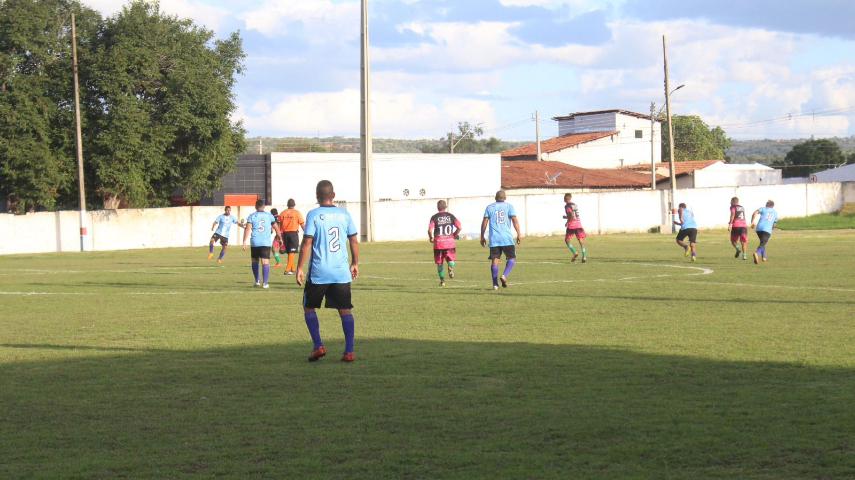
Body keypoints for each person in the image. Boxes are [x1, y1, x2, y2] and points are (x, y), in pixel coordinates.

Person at [296, 180, 359, 363]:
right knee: (345, 310)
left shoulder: (313, 215)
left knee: (309, 307)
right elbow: (354, 240)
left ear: (317, 196)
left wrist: (299, 267)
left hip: (319, 272)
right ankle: (348, 351)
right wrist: (355, 263)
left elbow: (307, 241)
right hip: (340, 272)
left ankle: (318, 346)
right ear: (333, 195)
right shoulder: (344, 214)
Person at [480, 190, 522, 290]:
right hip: (506, 238)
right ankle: (504, 275)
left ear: (495, 198)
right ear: (505, 198)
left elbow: (484, 221)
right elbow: (515, 220)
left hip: (494, 238)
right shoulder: (509, 207)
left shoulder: (489, 207)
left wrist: (482, 236)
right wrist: (519, 234)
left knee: (495, 260)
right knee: (512, 257)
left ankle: (495, 284)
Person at [242, 200, 283, 288]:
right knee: (265, 261)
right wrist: (280, 238)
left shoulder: (252, 216)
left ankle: (256, 281)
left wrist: (244, 241)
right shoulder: (269, 216)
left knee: (254, 260)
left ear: (255, 207)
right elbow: (276, 228)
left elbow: (247, 229)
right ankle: (265, 283)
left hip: (255, 241)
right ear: (264, 206)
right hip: (265, 242)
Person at [428, 200, 462, 286]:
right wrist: (453, 234)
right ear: (446, 207)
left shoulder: (434, 217)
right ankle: (450, 265)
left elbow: (430, 230)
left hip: (438, 243)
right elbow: (459, 227)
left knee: (439, 262)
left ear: (437, 207)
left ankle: (442, 281)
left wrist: (431, 237)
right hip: (449, 242)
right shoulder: (450, 216)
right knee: (450, 259)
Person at [278, 198, 305, 275]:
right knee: (292, 251)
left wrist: (279, 236)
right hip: (293, 233)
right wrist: (306, 233)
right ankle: (287, 270)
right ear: (294, 205)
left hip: (285, 234)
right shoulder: (297, 213)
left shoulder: (282, 213)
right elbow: (302, 224)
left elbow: (279, 226)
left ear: (287, 205)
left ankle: (292, 269)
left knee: (290, 251)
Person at [750, 200, 778, 264]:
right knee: (763, 243)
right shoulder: (775, 213)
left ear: (768, 204)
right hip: (767, 230)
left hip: (759, 229)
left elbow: (755, 213)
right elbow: (774, 224)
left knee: (762, 242)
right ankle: (756, 253)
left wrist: (752, 222)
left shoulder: (763, 209)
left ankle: (763, 257)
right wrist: (771, 227)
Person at [562, 193, 587, 263]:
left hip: (572, 225)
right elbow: (574, 215)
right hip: (578, 224)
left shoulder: (567, 206)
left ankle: (574, 252)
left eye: (564, 197)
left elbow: (572, 216)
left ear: (566, 198)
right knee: (580, 240)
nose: (563, 198)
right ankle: (584, 256)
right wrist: (566, 217)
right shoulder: (574, 205)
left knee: (567, 240)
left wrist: (567, 222)